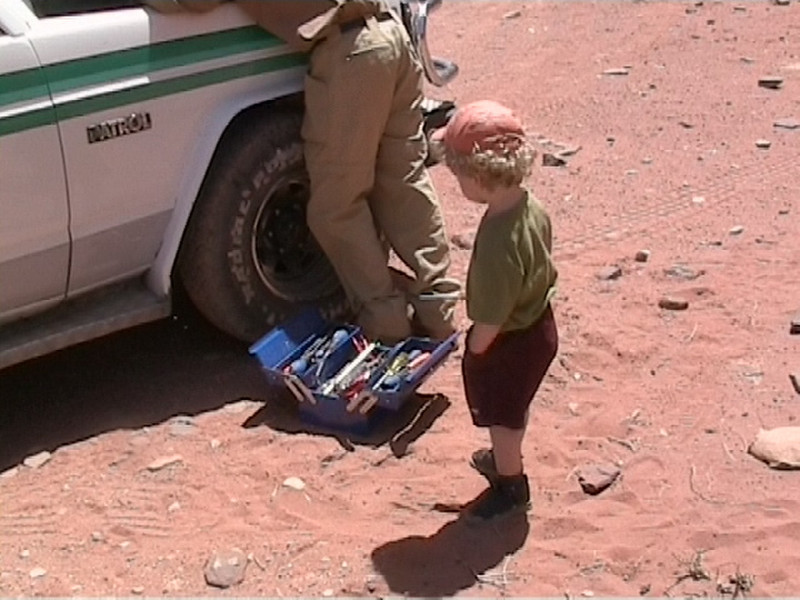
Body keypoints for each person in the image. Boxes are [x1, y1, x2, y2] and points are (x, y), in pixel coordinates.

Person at [145, 0, 459, 343]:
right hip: (392, 36)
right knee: (403, 180)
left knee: (336, 207)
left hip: (352, 52)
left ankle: (386, 323)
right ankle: (438, 307)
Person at [430, 100, 559, 523]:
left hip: (510, 339)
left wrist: (474, 346)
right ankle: (506, 458)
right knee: (512, 409)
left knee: (503, 417)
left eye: (459, 176)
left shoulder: (498, 242)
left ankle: (510, 485)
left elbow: (493, 316)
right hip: (539, 323)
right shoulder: (529, 206)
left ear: (480, 177)